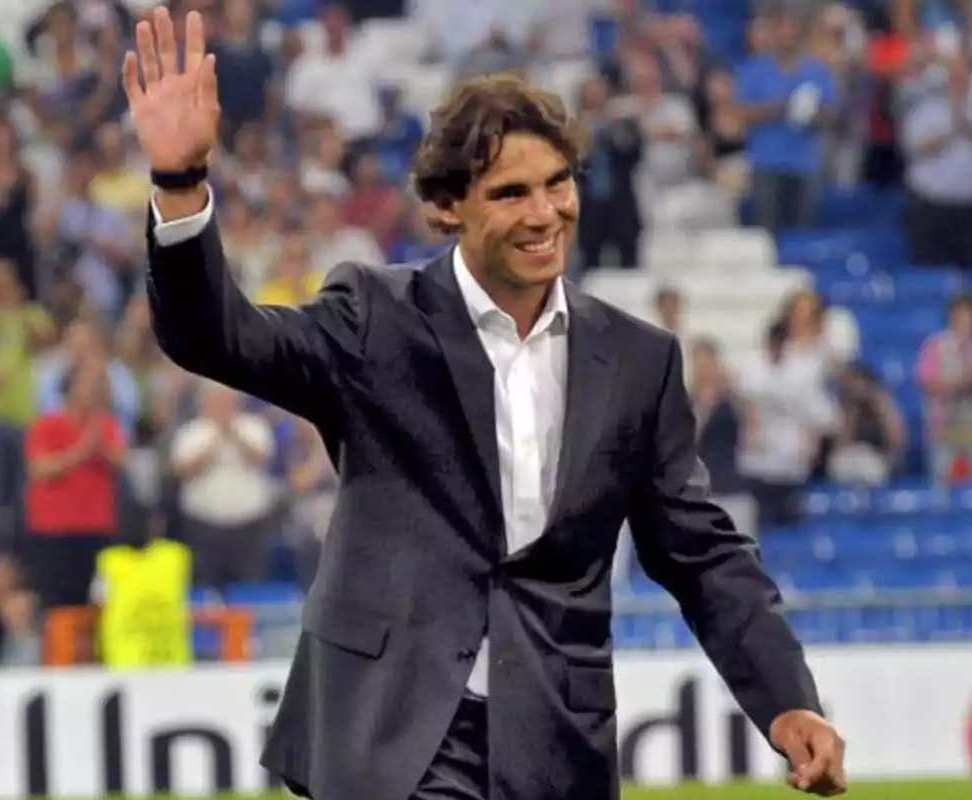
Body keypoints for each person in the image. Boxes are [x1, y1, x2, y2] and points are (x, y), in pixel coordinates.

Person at [129, 9, 847, 800]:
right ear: (447, 209)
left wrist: (786, 702)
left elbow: (702, 555)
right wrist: (180, 184)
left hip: (549, 742)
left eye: (557, 184)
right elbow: (216, 337)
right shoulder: (374, 318)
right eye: (510, 193)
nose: (544, 214)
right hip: (393, 735)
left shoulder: (639, 361)